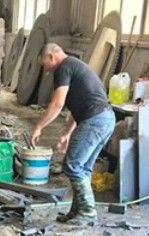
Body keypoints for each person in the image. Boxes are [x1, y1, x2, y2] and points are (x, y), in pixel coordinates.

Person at [30, 43, 115, 224]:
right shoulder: (74, 66)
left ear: (51, 56)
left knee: (72, 166)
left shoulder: (64, 68)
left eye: (44, 64)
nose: (45, 70)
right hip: (105, 119)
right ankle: (77, 211)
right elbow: (77, 106)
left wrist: (38, 127)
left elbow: (57, 104)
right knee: (83, 169)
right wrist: (67, 133)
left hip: (95, 120)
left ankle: (87, 212)